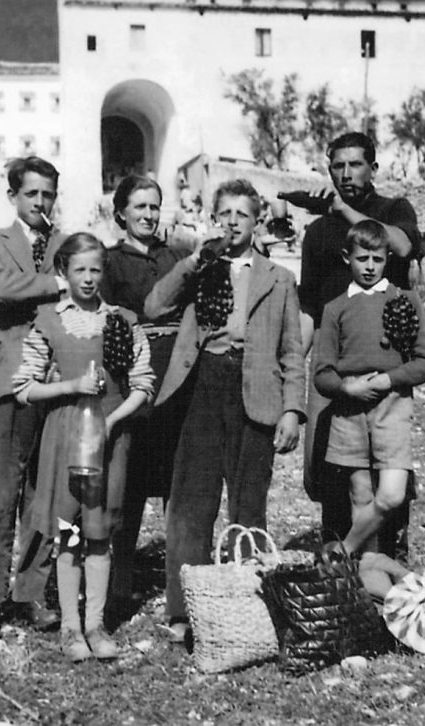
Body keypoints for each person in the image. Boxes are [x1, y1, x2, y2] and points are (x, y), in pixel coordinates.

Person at [145, 179, 305, 643]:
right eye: (225, 214)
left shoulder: (279, 279)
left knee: (248, 505)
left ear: (257, 221)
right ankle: (185, 610)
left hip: (255, 395)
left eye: (242, 214)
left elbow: (293, 352)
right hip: (202, 389)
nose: (233, 222)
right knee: (190, 506)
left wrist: (292, 410)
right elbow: (154, 306)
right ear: (215, 219)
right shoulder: (199, 267)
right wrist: (195, 261)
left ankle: (246, 610)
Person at [12, 232, 155, 661]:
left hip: (109, 438)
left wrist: (111, 421)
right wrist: (70, 386)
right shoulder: (49, 321)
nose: (89, 278)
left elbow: (144, 384)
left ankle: (96, 623)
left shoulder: (122, 320)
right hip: (65, 437)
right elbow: (24, 387)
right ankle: (71, 629)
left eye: (95, 269)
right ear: (63, 272)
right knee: (69, 532)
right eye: (80, 270)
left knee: (99, 534)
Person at [298, 132, 420, 557]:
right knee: (331, 469)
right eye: (338, 166)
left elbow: (401, 246)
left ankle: (388, 562)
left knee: (386, 468)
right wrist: (296, 367)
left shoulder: (393, 209)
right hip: (335, 367)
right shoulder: (317, 233)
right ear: (328, 169)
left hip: (385, 363)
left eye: (356, 164)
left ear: (373, 168)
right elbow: (310, 307)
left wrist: (345, 211)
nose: (346, 173)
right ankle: (341, 569)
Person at [0, 156, 68, 639]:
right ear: (13, 197)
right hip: (8, 379)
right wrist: (56, 284)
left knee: (42, 494)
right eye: (32, 194)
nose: (40, 203)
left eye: (47, 195)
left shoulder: (63, 245)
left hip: (54, 379)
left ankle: (31, 595)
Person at [314, 220, 425, 562]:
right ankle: (370, 576)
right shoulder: (336, 308)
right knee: (361, 495)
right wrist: (346, 388)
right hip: (349, 411)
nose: (369, 266)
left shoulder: (405, 299)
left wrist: (386, 380)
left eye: (377, 260)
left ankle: (346, 549)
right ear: (346, 257)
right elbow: (322, 372)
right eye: (362, 258)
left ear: (387, 259)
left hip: (393, 405)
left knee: (392, 495)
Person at [98, 176, 191, 610]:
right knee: (129, 483)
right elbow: (103, 316)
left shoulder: (176, 257)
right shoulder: (109, 262)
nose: (148, 215)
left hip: (176, 377)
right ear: (121, 213)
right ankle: (119, 582)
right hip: (134, 378)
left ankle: (180, 584)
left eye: (155, 207)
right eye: (139, 207)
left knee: (177, 480)